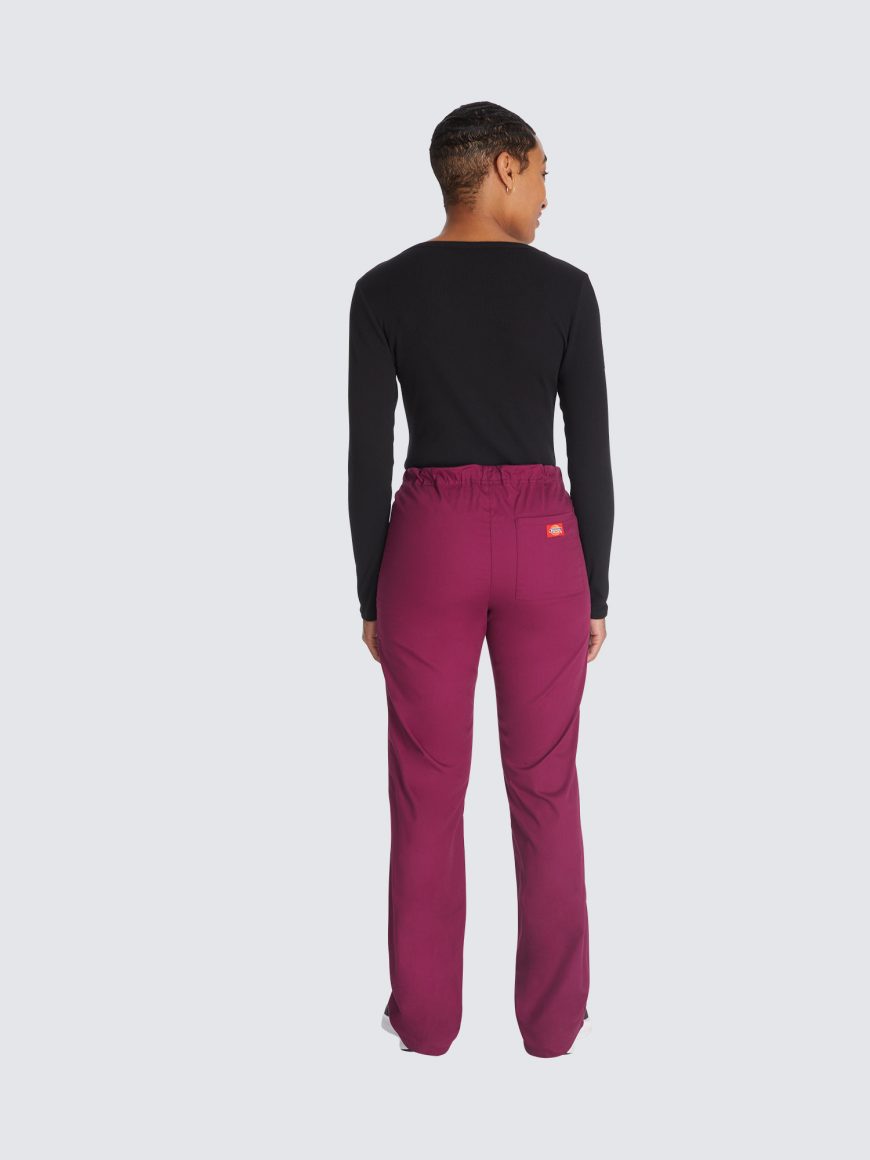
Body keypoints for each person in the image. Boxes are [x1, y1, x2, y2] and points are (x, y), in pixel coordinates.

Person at [347, 101, 614, 1058]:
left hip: (427, 542)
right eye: (540, 172)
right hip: (547, 540)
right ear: (502, 167)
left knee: (426, 787)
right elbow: (591, 451)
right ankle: (553, 1025)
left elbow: (367, 453)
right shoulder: (567, 290)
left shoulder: (382, 291)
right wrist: (597, 589)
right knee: (545, 786)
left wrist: (372, 591)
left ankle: (424, 1022)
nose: (545, 195)